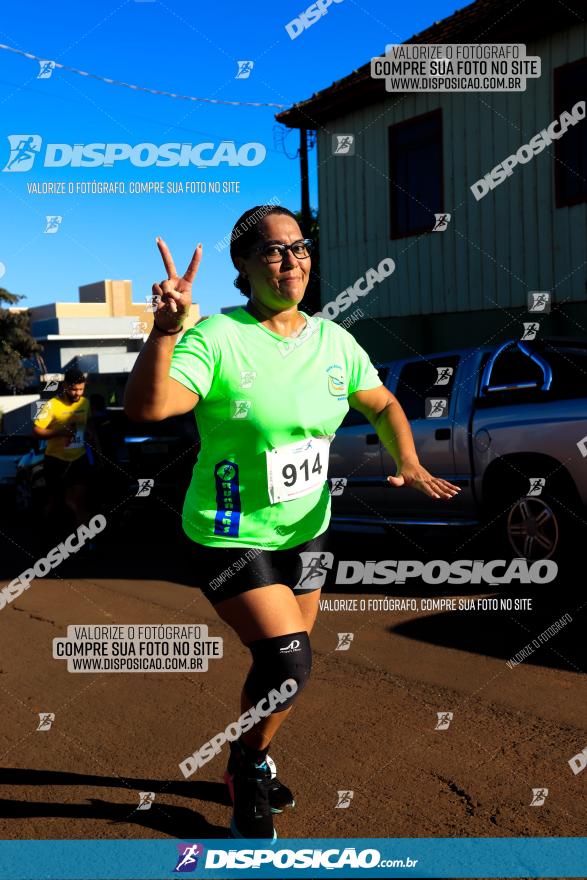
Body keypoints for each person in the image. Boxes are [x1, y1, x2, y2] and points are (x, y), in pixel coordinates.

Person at [123, 205, 461, 840]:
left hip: (307, 527)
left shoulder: (334, 341)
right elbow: (149, 408)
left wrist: (407, 459)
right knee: (288, 660)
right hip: (229, 530)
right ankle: (248, 772)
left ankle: (247, 753)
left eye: (300, 247)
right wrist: (165, 332)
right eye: (273, 251)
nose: (291, 260)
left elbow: (383, 401)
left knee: (284, 669)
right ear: (244, 267)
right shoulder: (217, 337)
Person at [32, 368, 97, 543]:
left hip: (79, 458)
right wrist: (58, 433)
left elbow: (89, 425)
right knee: (55, 504)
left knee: (80, 502)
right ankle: (46, 536)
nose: (77, 393)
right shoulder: (51, 405)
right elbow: (37, 431)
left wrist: (92, 438)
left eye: (81, 389)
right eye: (74, 389)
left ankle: (84, 544)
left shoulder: (85, 403)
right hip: (55, 460)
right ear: (65, 386)